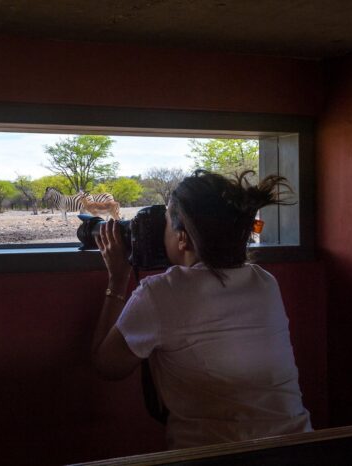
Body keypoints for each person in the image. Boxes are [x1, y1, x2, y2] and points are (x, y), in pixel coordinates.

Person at [91, 170, 312, 450]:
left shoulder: (160, 293)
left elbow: (106, 364)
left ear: (182, 238)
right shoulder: (265, 283)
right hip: (300, 448)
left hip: (213, 455)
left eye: (167, 223)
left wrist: (118, 278)